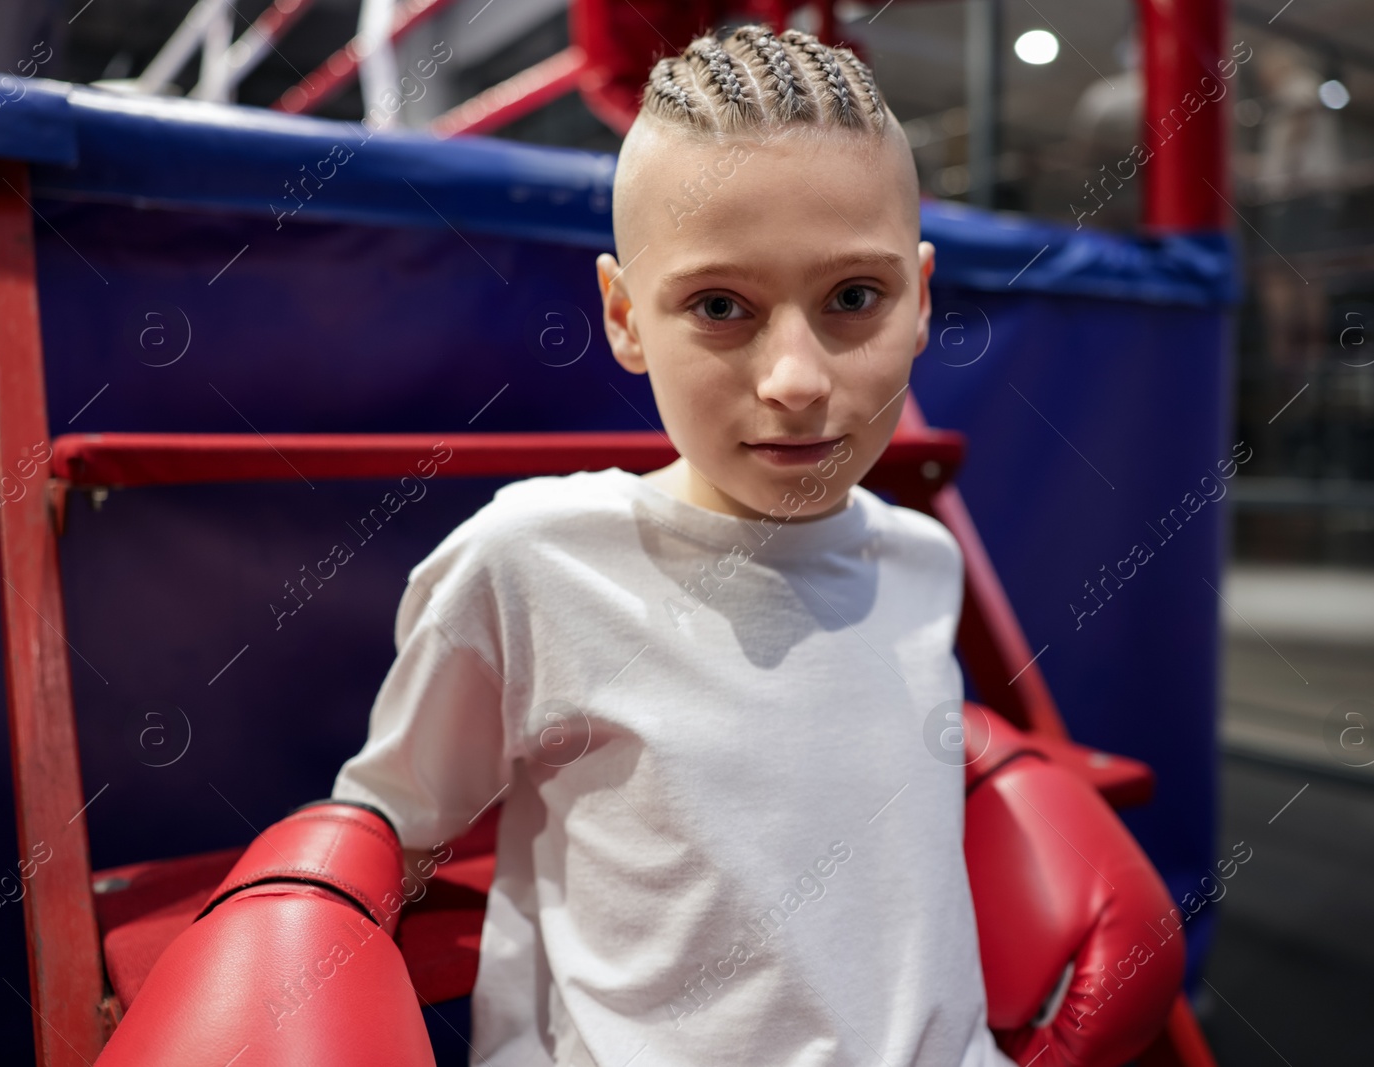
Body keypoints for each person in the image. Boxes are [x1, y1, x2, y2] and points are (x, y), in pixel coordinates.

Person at [330, 22, 1011, 1067]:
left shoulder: (925, 559)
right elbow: (390, 829)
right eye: (720, 306)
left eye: (854, 298)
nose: (794, 378)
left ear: (922, 299)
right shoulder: (531, 561)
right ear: (624, 315)